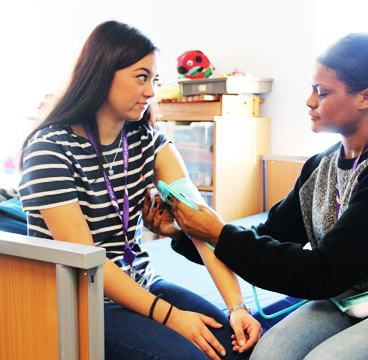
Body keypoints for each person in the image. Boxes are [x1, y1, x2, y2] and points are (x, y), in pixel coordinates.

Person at [18, 20, 262, 360]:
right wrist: (174, 318)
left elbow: (202, 227)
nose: (152, 91)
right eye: (141, 76)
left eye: (155, 79)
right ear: (103, 73)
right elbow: (89, 264)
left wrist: (237, 307)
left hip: (142, 283)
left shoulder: (148, 143)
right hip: (80, 301)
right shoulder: (50, 150)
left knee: (236, 351)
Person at [168, 33, 368, 360]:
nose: (309, 101)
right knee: (269, 354)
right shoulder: (320, 167)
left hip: (336, 287)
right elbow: (265, 237)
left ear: (365, 97)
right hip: (344, 298)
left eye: (322, 92)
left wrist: (218, 232)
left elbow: (322, 272)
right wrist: (185, 232)